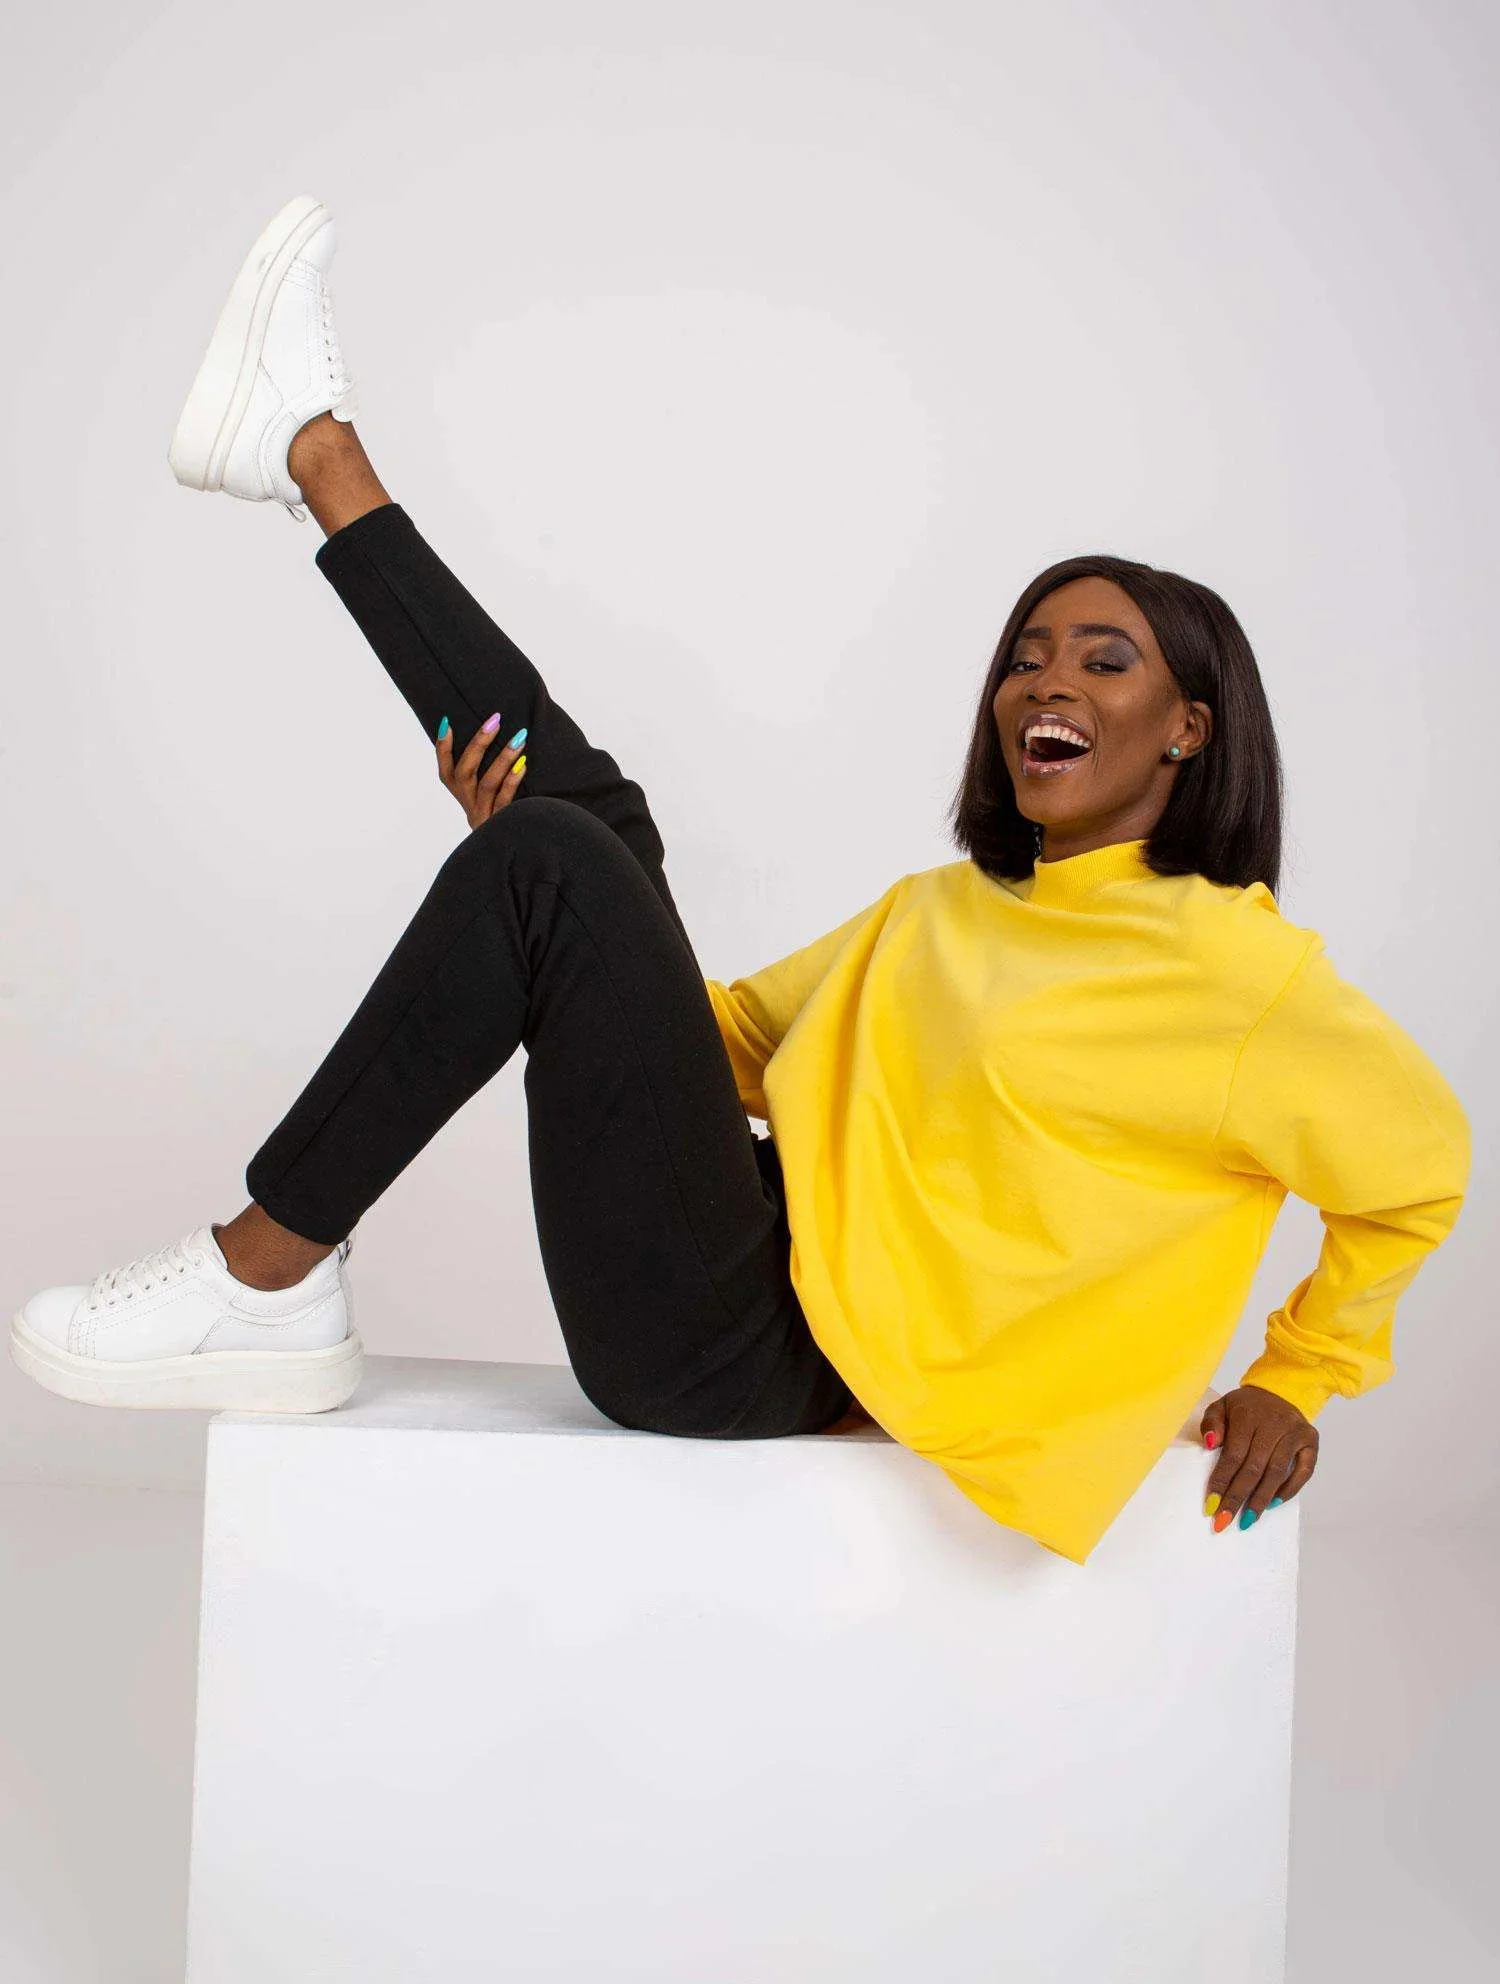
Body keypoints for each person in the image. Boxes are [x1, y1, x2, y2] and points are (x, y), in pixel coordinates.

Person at [9, 196, 1471, 1566]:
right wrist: (532, 897)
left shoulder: (1240, 979)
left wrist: (1303, 1372)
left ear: (1187, 730)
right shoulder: (944, 913)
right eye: (1028, 655)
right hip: (747, 1247)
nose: (1048, 682)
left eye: (1104, 662)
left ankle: (261, 1273)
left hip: (749, 1359)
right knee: (593, 824)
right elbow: (701, 1050)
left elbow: (1418, 1174)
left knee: (564, 859)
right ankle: (316, 454)